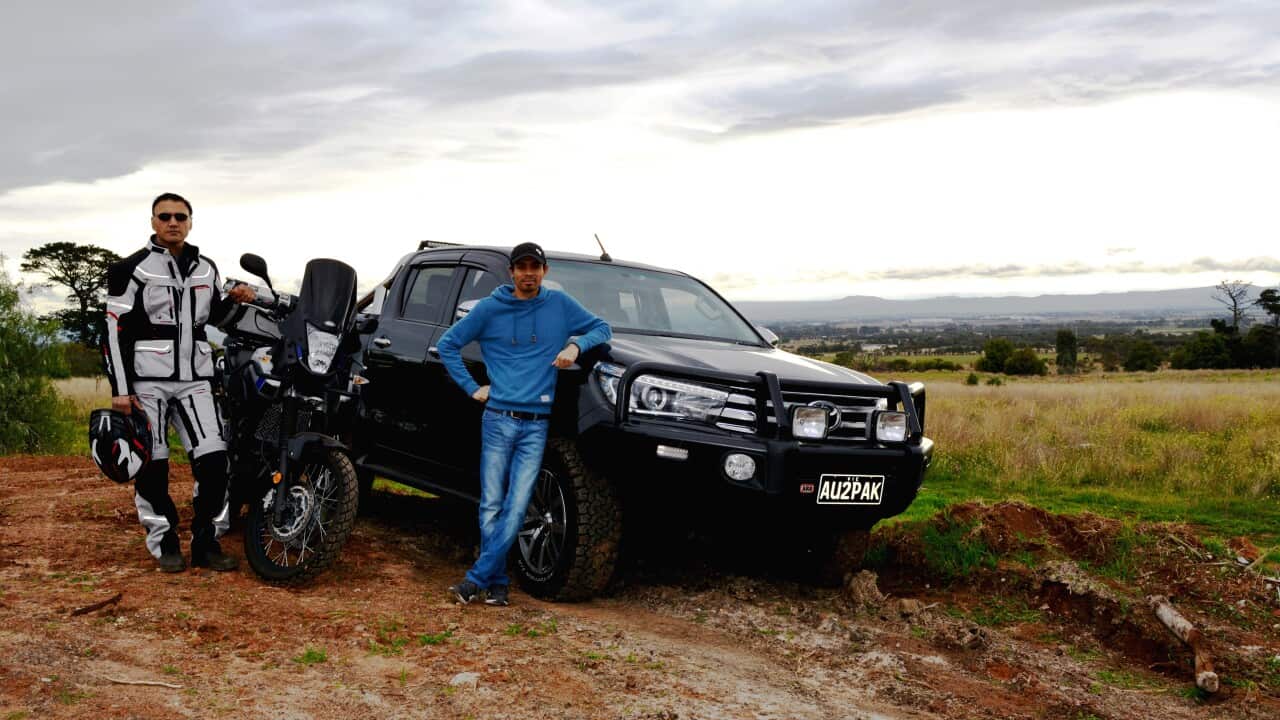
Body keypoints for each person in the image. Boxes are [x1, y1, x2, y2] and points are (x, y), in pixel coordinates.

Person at [437, 242, 611, 606]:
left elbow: (601, 328)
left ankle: (475, 581)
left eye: (535, 266)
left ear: (544, 271)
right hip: (497, 419)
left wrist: (575, 346)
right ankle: (497, 584)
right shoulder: (489, 309)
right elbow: (448, 344)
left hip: (536, 425)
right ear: (512, 272)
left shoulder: (559, 306)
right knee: (490, 506)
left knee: (517, 507)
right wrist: (472, 387)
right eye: (522, 267)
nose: (528, 273)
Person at [102, 192, 254, 573]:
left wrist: (237, 299)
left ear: (190, 221)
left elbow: (216, 315)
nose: (173, 222)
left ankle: (207, 542)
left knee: (216, 462)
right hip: (146, 382)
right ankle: (164, 541)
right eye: (165, 216)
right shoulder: (130, 269)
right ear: (153, 222)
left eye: (180, 216)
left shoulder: (207, 268)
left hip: (196, 380)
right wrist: (120, 390)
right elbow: (112, 330)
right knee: (153, 465)